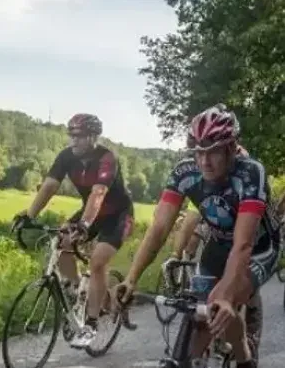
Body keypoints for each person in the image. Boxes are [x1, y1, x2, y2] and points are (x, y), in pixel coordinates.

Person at [115, 104, 280, 368]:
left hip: (259, 248)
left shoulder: (249, 172)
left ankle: (244, 358)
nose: (204, 161)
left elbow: (243, 243)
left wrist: (226, 294)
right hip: (218, 243)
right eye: (198, 153)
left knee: (221, 302)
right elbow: (159, 228)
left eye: (213, 152)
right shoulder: (184, 172)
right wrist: (131, 278)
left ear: (231, 148)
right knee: (199, 312)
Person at [12, 113, 134, 348]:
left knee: (98, 261)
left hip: (117, 215)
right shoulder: (66, 157)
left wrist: (84, 225)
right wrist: (29, 215)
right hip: (91, 211)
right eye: (71, 135)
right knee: (62, 241)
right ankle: (78, 287)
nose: (73, 140)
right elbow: (49, 186)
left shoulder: (107, 158)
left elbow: (98, 193)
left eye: (79, 136)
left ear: (92, 137)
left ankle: (90, 324)